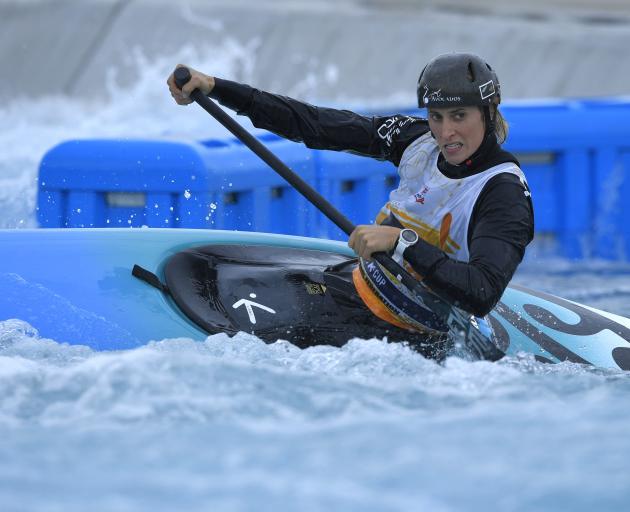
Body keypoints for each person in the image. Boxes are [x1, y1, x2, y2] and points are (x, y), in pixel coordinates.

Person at [167, 52, 534, 339]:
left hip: (409, 331)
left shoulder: (503, 193)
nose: (445, 132)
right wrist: (217, 88)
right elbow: (313, 124)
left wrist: (401, 242)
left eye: (459, 116)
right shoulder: (415, 140)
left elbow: (482, 292)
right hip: (359, 284)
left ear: (489, 112)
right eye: (436, 116)